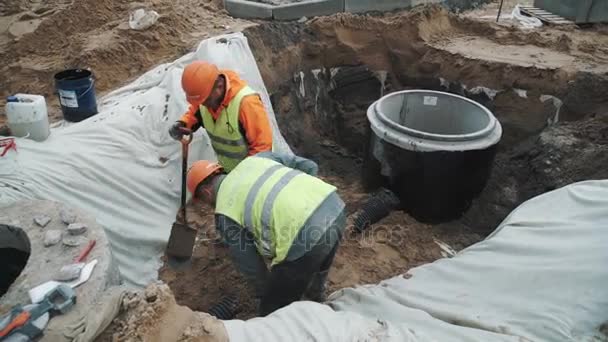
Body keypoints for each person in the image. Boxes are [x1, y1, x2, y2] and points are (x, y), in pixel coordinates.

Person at [186, 151, 346, 316]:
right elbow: (309, 166)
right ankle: (316, 300)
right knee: (318, 266)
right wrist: (306, 199)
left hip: (304, 237)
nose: (207, 205)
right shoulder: (257, 159)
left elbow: (251, 264)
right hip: (333, 206)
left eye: (203, 201)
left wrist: (267, 294)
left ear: (206, 192)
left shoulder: (225, 212)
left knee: (272, 310)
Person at [169, 61, 273, 172]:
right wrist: (183, 124)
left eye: (206, 100)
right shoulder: (206, 98)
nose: (203, 105)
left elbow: (262, 148)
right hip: (229, 172)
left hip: (253, 174)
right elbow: (194, 113)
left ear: (219, 86)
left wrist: (245, 176)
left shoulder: (247, 104)